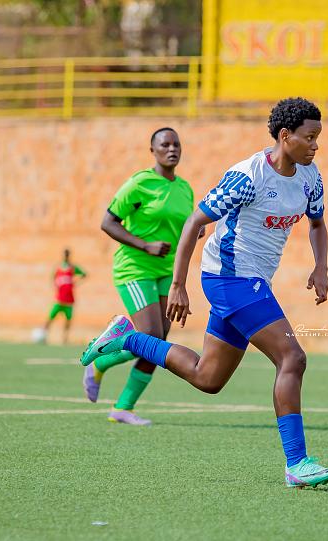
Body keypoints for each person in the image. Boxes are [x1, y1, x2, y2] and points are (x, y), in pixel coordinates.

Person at [80, 97, 328, 488]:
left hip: (252, 281)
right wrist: (179, 284)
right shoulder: (247, 176)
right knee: (292, 357)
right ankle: (297, 463)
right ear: (285, 136)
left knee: (207, 378)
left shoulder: (310, 177)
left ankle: (127, 338)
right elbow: (194, 223)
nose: (316, 145)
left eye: (318, 137)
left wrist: (321, 266)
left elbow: (317, 223)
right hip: (229, 278)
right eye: (310, 137)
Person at [82, 127, 203, 426]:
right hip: (135, 268)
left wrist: (195, 230)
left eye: (176, 144)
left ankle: (123, 407)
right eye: (165, 144)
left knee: (159, 342)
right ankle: (101, 362)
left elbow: (184, 226)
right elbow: (108, 222)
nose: (172, 149)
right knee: (150, 336)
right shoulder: (139, 184)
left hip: (167, 272)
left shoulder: (185, 189)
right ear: (153, 151)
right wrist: (145, 245)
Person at [43, 248, 86, 344]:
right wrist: (55, 285)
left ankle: (64, 339)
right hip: (59, 299)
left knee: (68, 320)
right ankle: (43, 335)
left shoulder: (73, 267)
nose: (66, 256)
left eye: (67, 254)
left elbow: (84, 274)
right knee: (50, 317)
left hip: (69, 300)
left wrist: (75, 283)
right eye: (65, 254)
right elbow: (53, 277)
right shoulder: (58, 267)